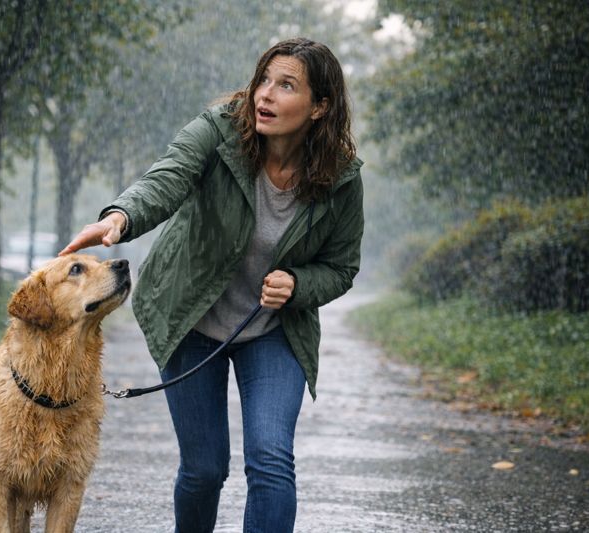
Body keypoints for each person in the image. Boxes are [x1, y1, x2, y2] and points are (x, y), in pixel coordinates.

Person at [60, 37, 363, 533]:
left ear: (320, 106)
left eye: (286, 86)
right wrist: (122, 215)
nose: (264, 95)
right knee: (204, 470)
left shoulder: (341, 178)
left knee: (270, 459)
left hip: (272, 330)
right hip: (190, 318)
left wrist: (299, 284)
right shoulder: (220, 129)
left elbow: (342, 267)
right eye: (263, 79)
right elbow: (167, 177)